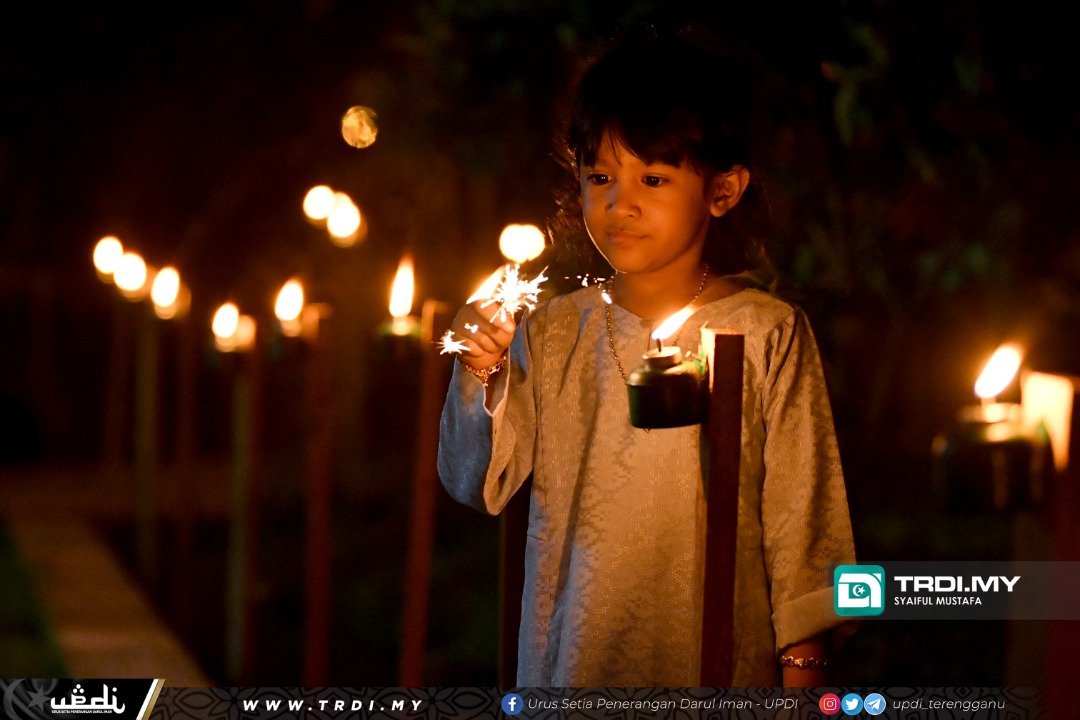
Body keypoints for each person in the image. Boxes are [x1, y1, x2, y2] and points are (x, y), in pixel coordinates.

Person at [437, 31, 855, 687]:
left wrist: (802, 677)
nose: (619, 203)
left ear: (723, 190)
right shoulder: (552, 334)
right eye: (599, 176)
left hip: (717, 672)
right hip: (573, 669)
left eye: (653, 178)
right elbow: (476, 482)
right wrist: (478, 370)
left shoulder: (767, 333)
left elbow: (806, 527)